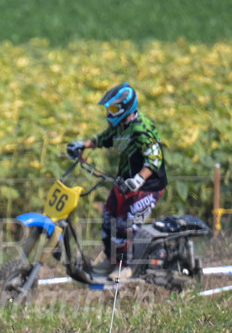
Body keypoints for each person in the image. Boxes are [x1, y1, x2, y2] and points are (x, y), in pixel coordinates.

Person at [67, 82, 168, 281]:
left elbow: (154, 159)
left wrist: (139, 179)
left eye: (113, 109)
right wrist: (82, 145)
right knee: (108, 218)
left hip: (148, 185)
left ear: (126, 108)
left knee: (124, 224)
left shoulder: (142, 129)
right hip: (124, 181)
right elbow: (104, 138)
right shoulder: (120, 125)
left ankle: (125, 267)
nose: (109, 113)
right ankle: (112, 260)